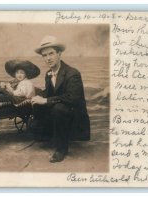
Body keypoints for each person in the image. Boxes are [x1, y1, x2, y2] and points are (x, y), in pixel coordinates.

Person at [31, 35, 90, 163]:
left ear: (59, 53)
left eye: (51, 54)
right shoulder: (48, 74)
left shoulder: (72, 73)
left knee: (58, 108)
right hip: (61, 110)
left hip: (74, 117)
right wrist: (36, 94)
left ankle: (61, 149)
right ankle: (47, 136)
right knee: (37, 104)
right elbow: (49, 92)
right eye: (44, 55)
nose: (48, 58)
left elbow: (72, 98)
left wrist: (46, 101)